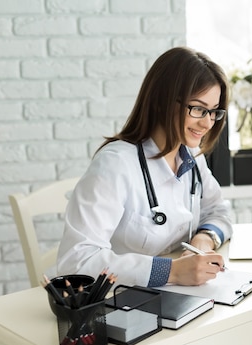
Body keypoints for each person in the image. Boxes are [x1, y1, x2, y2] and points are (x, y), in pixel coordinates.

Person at [57, 46, 233, 288]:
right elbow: (76, 261)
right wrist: (171, 271)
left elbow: (218, 211)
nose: (207, 123)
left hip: (178, 293)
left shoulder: (190, 155)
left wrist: (204, 240)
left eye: (214, 112)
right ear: (163, 102)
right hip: (119, 300)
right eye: (198, 109)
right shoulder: (115, 164)